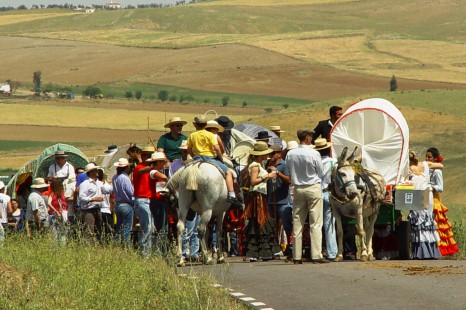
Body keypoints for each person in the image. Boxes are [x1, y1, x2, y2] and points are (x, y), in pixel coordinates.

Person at [285, 129, 328, 264]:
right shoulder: (314, 153)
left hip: (297, 188)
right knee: (315, 222)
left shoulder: (290, 154)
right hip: (313, 187)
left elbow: (288, 171)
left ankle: (296, 256)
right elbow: (320, 172)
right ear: (308, 138)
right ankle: (316, 254)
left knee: (297, 222)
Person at [186, 115, 241, 206]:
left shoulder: (192, 135)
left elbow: (188, 149)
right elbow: (217, 148)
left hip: (197, 158)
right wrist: (220, 157)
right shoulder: (211, 135)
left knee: (183, 172)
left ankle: (178, 195)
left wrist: (194, 156)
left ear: (194, 124)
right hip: (209, 157)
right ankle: (231, 194)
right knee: (228, 172)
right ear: (206, 124)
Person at [241, 141, 280, 261]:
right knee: (259, 221)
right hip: (257, 196)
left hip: (260, 195)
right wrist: (267, 176)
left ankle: (258, 252)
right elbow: (253, 181)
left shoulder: (258, 165)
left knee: (260, 221)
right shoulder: (255, 166)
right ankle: (261, 252)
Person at [407, 150, 441, 259]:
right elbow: (441, 165)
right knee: (426, 219)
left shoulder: (408, 168)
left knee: (418, 219)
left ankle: (421, 251)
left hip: (418, 193)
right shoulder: (425, 165)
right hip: (427, 192)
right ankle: (430, 250)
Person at [426, 147, 459, 256]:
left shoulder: (437, 172)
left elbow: (440, 187)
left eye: (429, 157)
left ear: (435, 159)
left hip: (434, 201)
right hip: (426, 200)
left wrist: (430, 186)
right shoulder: (426, 170)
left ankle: (439, 250)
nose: (427, 158)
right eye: (426, 156)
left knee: (437, 227)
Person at [265, 145, 292, 259]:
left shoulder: (284, 165)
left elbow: (289, 180)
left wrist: (278, 173)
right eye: (270, 154)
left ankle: (290, 248)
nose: (271, 156)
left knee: (287, 225)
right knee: (272, 226)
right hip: (271, 200)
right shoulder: (268, 165)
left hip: (283, 200)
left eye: (273, 154)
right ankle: (275, 249)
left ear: (279, 154)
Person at [314, 138, 338, 261]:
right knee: (329, 224)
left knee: (316, 224)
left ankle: (315, 251)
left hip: (315, 193)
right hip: (328, 194)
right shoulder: (334, 162)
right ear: (329, 149)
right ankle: (332, 252)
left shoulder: (314, 161)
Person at [133, 145, 156, 257]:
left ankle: (147, 251)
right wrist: (154, 166)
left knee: (150, 228)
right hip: (142, 199)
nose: (151, 157)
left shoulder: (151, 169)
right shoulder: (139, 167)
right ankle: (144, 253)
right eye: (149, 155)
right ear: (144, 156)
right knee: (146, 227)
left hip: (150, 200)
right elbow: (142, 171)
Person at [146, 152, 170, 254]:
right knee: (161, 227)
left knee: (165, 227)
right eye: (162, 162)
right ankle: (160, 251)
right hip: (156, 202)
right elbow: (163, 177)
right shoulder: (153, 172)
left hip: (162, 201)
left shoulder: (159, 171)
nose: (164, 163)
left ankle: (163, 250)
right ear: (158, 162)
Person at [79, 163, 105, 244]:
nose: (97, 171)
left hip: (97, 208)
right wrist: (93, 199)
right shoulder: (85, 184)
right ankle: (89, 248)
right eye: (95, 170)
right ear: (90, 172)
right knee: (89, 230)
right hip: (88, 210)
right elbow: (81, 197)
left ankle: (97, 246)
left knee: (98, 229)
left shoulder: (99, 183)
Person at [112, 158, 134, 247]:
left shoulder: (115, 177)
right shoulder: (125, 178)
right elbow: (130, 192)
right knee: (127, 228)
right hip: (126, 204)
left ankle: (117, 245)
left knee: (119, 227)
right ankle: (126, 247)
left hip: (117, 204)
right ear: (126, 167)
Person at [47, 178, 69, 243]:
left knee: (55, 233)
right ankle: (63, 247)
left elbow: (49, 203)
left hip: (54, 214)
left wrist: (55, 211)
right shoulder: (63, 193)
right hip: (64, 214)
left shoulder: (52, 194)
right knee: (63, 232)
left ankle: (55, 249)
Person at [98, 168, 114, 243]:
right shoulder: (108, 187)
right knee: (109, 231)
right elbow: (112, 200)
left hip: (98, 210)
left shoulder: (96, 186)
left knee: (99, 230)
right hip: (107, 210)